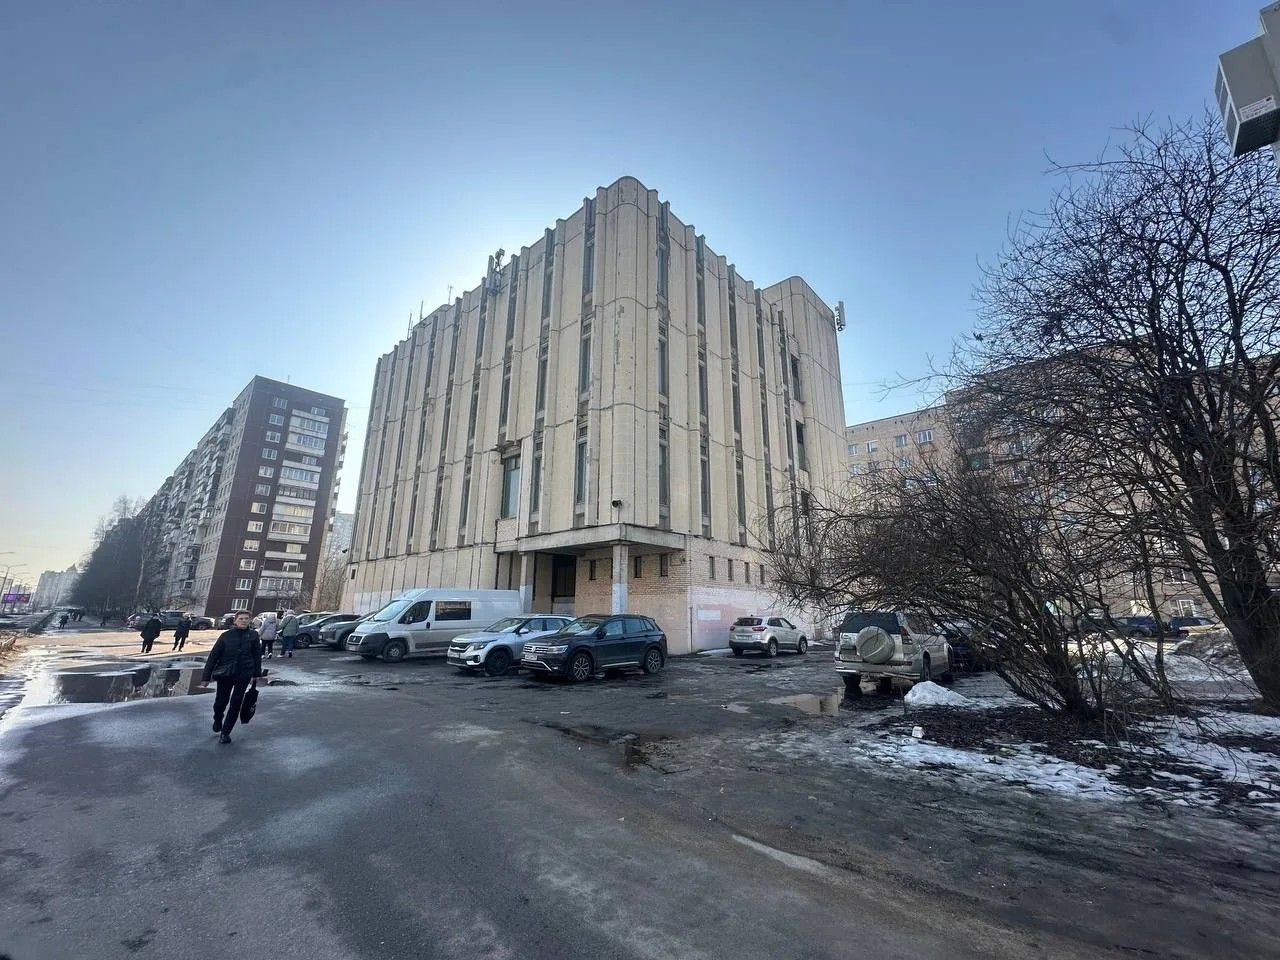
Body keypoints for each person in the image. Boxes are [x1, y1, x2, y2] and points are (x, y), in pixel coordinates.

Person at [201, 610, 262, 744]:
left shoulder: (253, 635)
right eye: (241, 619)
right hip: (226, 673)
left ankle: (226, 732)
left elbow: (257, 655)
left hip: (244, 674)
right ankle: (218, 719)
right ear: (235, 621)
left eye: (246, 619)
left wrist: (256, 674)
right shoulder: (226, 636)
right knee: (220, 702)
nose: (244, 621)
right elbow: (213, 656)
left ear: (250, 620)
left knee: (236, 703)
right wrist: (206, 677)